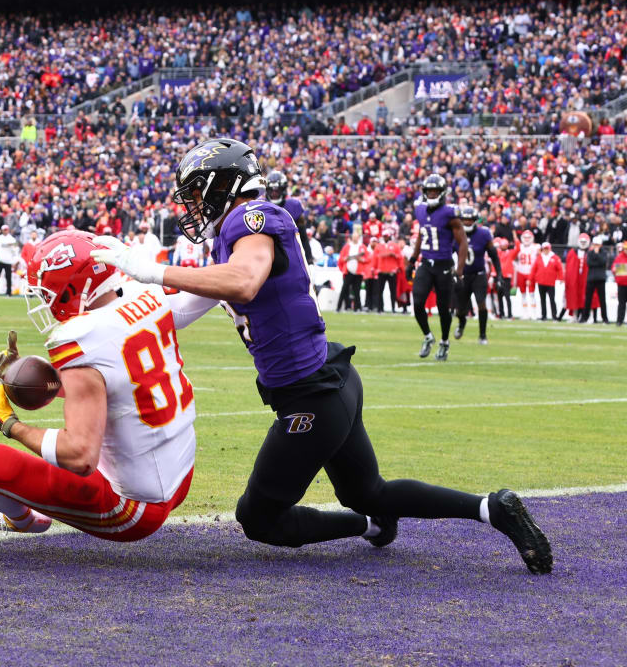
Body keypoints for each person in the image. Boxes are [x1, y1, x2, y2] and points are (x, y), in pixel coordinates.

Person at [91, 137, 551, 574]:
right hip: (332, 381)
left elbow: (244, 281)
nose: (191, 205)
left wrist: (150, 269)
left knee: (258, 517)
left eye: (196, 192)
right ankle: (492, 508)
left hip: (311, 397)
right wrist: (104, 323)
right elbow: (183, 307)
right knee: (368, 491)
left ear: (225, 185)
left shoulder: (247, 217)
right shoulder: (235, 232)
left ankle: (367, 524)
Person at [0, 230, 209, 541]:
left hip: (135, 508)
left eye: (46, 293)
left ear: (70, 290)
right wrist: (23, 374)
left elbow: (80, 456)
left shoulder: (79, 337)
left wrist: (10, 424)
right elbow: (112, 380)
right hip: (180, 475)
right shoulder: (143, 294)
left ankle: (24, 521)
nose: (43, 301)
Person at [407, 175, 467, 361]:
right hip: (426, 263)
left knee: (443, 308)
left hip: (444, 265)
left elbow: (463, 241)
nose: (432, 194)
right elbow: (421, 235)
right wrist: (412, 259)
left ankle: (444, 342)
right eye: (429, 191)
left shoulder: (450, 213)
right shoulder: (420, 210)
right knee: (417, 303)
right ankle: (428, 336)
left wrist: (459, 270)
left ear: (442, 193)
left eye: (435, 191)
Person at [452, 206, 502, 344]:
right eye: (465, 220)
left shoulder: (483, 234)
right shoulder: (455, 234)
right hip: (463, 275)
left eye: (470, 220)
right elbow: (448, 254)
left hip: (479, 274)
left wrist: (499, 274)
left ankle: (482, 335)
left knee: (481, 304)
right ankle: (462, 324)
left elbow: (494, 256)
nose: (467, 222)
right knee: (460, 310)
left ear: (475, 220)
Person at [511, 231, 540, 319]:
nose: (527, 239)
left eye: (528, 237)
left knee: (532, 294)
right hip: (521, 271)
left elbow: (539, 258)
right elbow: (513, 258)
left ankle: (534, 313)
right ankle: (525, 313)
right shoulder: (519, 247)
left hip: (531, 272)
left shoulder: (536, 247)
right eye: (525, 237)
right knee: (523, 294)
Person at [533, 242, 564, 321]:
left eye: (547, 249)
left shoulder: (555, 257)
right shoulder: (539, 257)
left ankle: (554, 316)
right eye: (544, 249)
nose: (546, 251)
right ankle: (544, 316)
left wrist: (561, 278)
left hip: (550, 282)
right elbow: (534, 269)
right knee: (542, 300)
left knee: (552, 299)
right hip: (541, 282)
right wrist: (531, 279)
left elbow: (560, 268)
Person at [565, 233, 590, 322]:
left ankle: (586, 316)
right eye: (581, 241)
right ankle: (574, 316)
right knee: (573, 297)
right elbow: (569, 266)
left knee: (586, 297)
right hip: (575, 279)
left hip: (585, 278)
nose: (583, 243)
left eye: (584, 241)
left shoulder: (589, 252)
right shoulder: (573, 252)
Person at [0, 224, 20, 296]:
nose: (5, 231)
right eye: (4, 230)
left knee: (8, 277)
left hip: (8, 260)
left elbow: (16, 250)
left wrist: (12, 248)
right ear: (2, 230)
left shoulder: (12, 239)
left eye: (6, 230)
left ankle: (8, 293)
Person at [586, 236, 610, 324]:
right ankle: (585, 318)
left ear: (600, 245)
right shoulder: (590, 253)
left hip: (601, 279)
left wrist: (596, 255)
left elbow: (603, 262)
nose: (596, 246)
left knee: (602, 300)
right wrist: (596, 258)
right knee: (588, 299)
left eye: (597, 244)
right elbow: (589, 263)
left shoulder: (604, 253)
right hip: (591, 278)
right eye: (595, 244)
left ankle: (605, 319)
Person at [493, 237, 514, 319]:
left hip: (506, 277)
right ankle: (501, 314)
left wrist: (514, 235)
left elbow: (518, 247)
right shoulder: (497, 253)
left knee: (507, 296)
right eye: (502, 245)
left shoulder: (510, 253)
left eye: (505, 245)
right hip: (498, 277)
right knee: (499, 296)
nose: (503, 246)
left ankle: (509, 314)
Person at [613, 242, 627, 326]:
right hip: (621, 284)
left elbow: (619, 269)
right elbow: (614, 268)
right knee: (621, 303)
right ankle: (619, 321)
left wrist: (622, 268)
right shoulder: (619, 257)